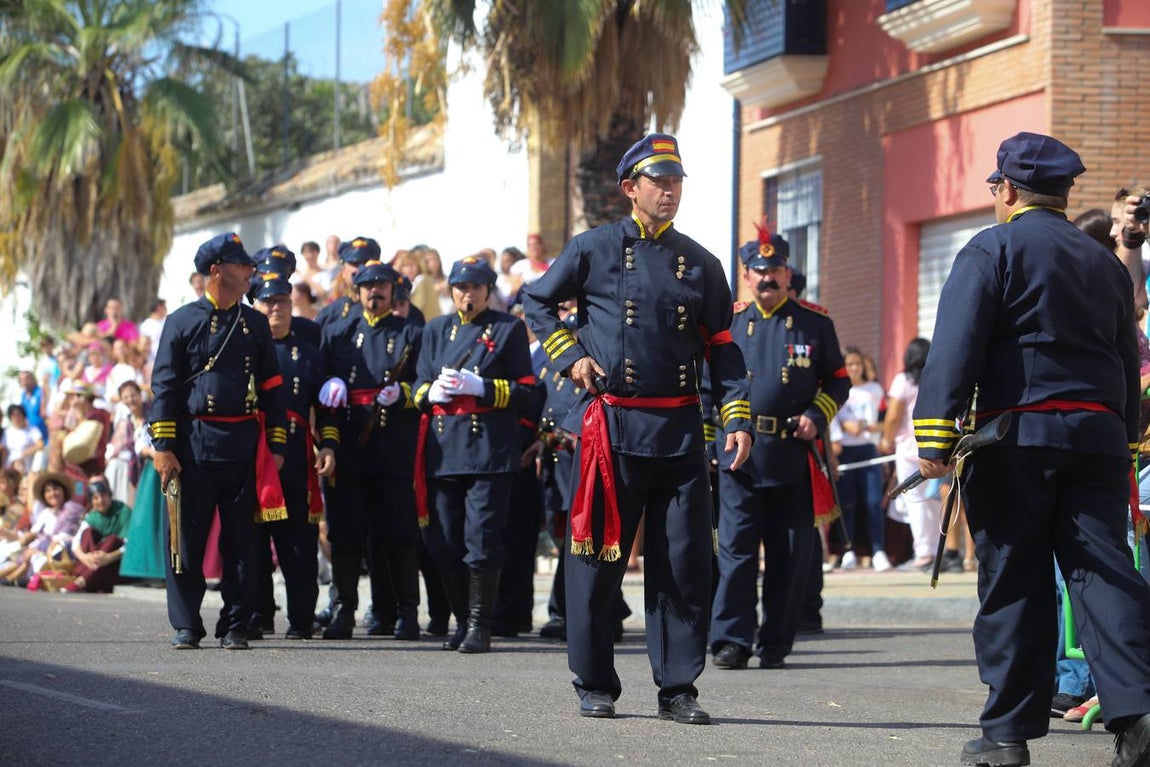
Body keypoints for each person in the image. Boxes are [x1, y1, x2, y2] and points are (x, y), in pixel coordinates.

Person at [913, 131, 1150, 767]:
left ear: (1009, 190)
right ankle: (1138, 715)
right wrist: (1127, 435)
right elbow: (1126, 355)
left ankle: (1006, 735)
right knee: (1103, 574)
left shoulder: (992, 247)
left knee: (1015, 577)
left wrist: (933, 434)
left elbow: (956, 343)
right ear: (1065, 194)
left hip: (1017, 438)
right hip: (1098, 439)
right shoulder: (1103, 261)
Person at [523, 133, 752, 724]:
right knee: (598, 560)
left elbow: (722, 345)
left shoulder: (701, 263)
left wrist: (735, 414)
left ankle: (678, 688)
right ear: (631, 188)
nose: (670, 191)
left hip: (678, 428)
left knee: (683, 562)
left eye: (676, 181)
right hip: (612, 427)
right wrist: (569, 354)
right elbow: (537, 302)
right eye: (659, 181)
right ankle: (593, 681)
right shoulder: (594, 248)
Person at [708, 226, 850, 672]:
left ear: (788, 273)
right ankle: (731, 639)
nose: (767, 278)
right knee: (736, 552)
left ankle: (775, 642)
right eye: (758, 271)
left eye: (775, 270)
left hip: (792, 454)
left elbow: (839, 381)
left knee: (790, 555)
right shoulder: (726, 322)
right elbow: (704, 383)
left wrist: (817, 413)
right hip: (737, 456)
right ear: (745, 275)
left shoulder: (815, 322)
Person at [149, 232, 288, 650]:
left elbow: (273, 387)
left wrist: (277, 446)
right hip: (193, 445)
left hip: (243, 445)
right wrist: (163, 447)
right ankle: (186, 624)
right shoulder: (182, 321)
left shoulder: (255, 323)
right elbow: (165, 388)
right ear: (215, 270)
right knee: (186, 542)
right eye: (241, 265)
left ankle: (236, 624)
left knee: (243, 544)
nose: (251, 272)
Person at [413, 255, 535, 654]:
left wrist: (483, 387)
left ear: (487, 291)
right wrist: (428, 394)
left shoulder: (508, 329)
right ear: (451, 290)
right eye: (462, 288)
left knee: (481, 539)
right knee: (444, 541)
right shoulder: (435, 330)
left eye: (477, 288)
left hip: (488, 448)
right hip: (445, 448)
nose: (469, 295)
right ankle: (462, 618)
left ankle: (480, 624)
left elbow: (528, 391)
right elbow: (418, 382)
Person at [316, 259, 422, 640]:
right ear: (356, 292)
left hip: (393, 447)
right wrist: (329, 393)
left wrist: (404, 394)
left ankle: (407, 613)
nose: (375, 292)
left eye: (382, 286)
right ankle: (343, 610)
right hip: (350, 448)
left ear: (393, 291)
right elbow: (325, 396)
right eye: (367, 286)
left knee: (399, 535)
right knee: (345, 535)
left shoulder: (411, 332)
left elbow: (424, 386)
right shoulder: (339, 334)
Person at [251, 276, 337, 639]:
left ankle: (301, 620)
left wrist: (328, 444)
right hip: (254, 453)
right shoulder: (245, 349)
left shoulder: (309, 351)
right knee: (252, 540)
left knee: (298, 541)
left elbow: (324, 406)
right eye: (268, 302)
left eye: (283, 301)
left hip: (297, 453)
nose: (276, 308)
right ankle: (256, 614)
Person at [879, 338, 939, 570]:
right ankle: (934, 549)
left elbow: (893, 416)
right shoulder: (935, 378)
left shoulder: (902, 381)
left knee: (914, 500)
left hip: (907, 449)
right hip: (933, 446)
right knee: (933, 500)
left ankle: (924, 552)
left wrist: (886, 439)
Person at [829, 347, 889, 571]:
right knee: (847, 503)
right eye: (850, 364)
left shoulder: (874, 389)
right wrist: (845, 425)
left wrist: (870, 427)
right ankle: (848, 550)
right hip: (845, 451)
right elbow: (832, 418)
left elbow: (886, 420)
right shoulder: (839, 389)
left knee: (874, 501)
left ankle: (879, 550)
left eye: (857, 364)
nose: (854, 368)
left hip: (868, 450)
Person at [65, 476, 131, 593]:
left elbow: (130, 544)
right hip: (96, 565)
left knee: (112, 540)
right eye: (95, 497)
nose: (100, 500)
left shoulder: (123, 511)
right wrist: (85, 558)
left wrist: (109, 557)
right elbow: (76, 543)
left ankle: (83, 580)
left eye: (103, 495)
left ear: (109, 495)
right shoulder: (92, 516)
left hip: (115, 565)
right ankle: (87, 577)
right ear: (91, 501)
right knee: (88, 533)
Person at [3, 405, 44, 473]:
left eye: (19, 415)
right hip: (9, 466)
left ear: (23, 416)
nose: (16, 418)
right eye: (13, 415)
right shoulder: (7, 432)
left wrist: (26, 452)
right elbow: (4, 450)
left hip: (25, 465)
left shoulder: (32, 430)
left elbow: (40, 445)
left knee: (19, 465)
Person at [137, 299, 167, 363]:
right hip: (151, 360)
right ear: (159, 308)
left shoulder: (168, 322)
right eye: (164, 307)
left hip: (166, 357)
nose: (166, 310)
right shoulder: (145, 326)